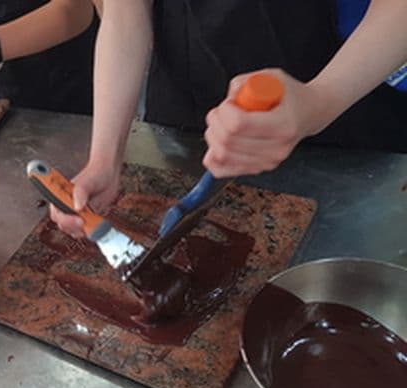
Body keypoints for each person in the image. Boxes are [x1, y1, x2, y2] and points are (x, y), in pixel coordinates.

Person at [51, 0, 407, 237]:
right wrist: (105, 158)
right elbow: (125, 15)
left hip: (342, 99)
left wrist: (321, 100)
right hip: (187, 120)